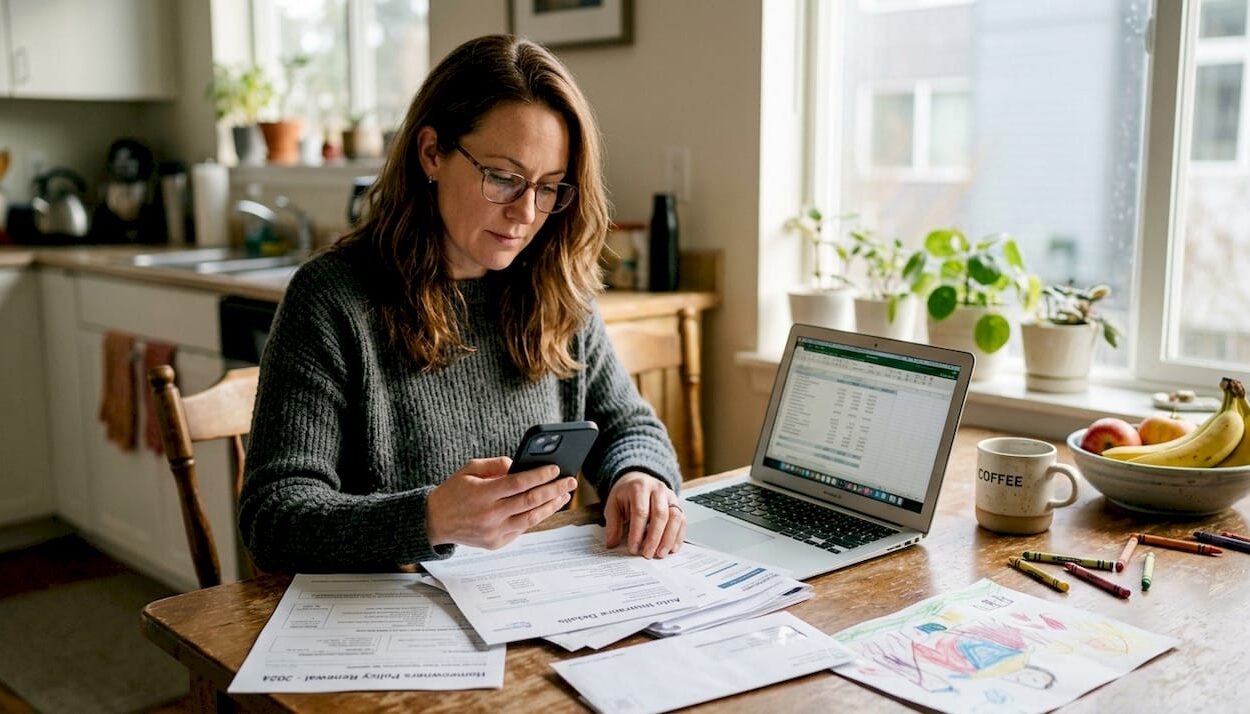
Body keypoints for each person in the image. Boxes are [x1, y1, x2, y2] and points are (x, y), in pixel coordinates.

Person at [238, 34, 686, 573]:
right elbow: (273, 517)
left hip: (532, 603)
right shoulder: (332, 300)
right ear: (432, 153)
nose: (526, 213)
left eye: (549, 187)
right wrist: (429, 520)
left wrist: (641, 476)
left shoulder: (555, 285)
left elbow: (628, 425)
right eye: (503, 178)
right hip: (390, 622)